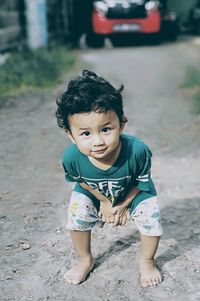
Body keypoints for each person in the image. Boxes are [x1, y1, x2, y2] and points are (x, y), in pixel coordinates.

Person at [55, 70, 163, 288]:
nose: (98, 142)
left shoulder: (138, 151)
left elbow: (142, 183)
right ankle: (85, 259)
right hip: (95, 192)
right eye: (85, 133)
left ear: (121, 124)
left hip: (134, 192)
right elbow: (82, 182)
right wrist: (104, 201)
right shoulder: (71, 157)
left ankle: (147, 261)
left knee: (151, 214)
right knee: (76, 211)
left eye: (106, 129)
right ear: (70, 135)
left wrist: (122, 206)